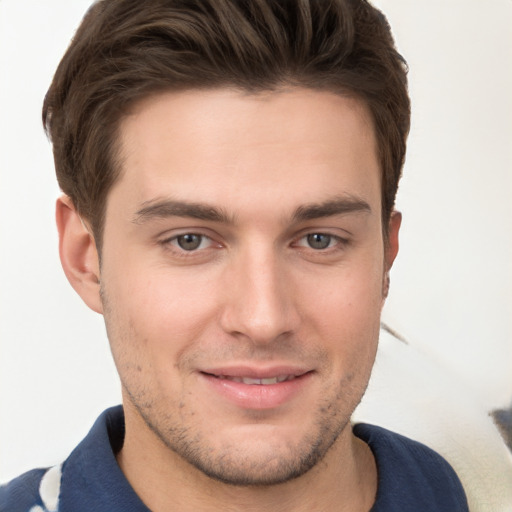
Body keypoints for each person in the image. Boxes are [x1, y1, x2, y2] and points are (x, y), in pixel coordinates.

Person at [0, 1, 469, 511]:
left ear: (386, 255)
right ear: (85, 256)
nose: (263, 319)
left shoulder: (480, 489)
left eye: (319, 240)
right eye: (190, 241)